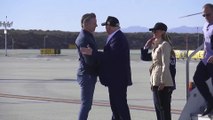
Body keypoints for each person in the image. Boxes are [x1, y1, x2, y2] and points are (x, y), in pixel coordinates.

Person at [81, 16, 132, 120]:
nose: (105, 28)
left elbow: (111, 56)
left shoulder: (118, 38)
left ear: (110, 26)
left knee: (120, 106)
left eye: (106, 26)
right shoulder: (115, 37)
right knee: (116, 107)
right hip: (115, 79)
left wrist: (93, 53)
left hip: (118, 79)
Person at [144, 22, 175, 120]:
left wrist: (163, 81)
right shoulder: (156, 45)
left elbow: (165, 64)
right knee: (158, 109)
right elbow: (145, 57)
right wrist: (146, 46)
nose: (153, 32)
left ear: (162, 32)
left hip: (162, 82)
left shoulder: (165, 45)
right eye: (153, 31)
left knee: (164, 110)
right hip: (155, 80)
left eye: (155, 30)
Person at [75, 13, 99, 120]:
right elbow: (89, 60)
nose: (96, 25)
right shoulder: (84, 38)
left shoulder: (88, 36)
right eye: (94, 23)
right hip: (87, 75)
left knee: (87, 105)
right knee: (86, 105)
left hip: (88, 74)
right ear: (86, 24)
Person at [193, 3, 213, 116]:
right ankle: (210, 102)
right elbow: (206, 41)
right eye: (204, 15)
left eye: (208, 14)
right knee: (197, 78)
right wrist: (205, 51)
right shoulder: (205, 26)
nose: (206, 17)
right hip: (206, 59)